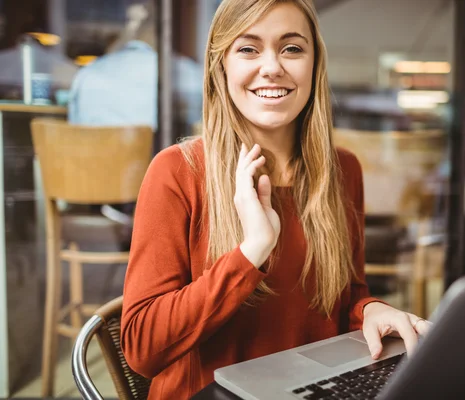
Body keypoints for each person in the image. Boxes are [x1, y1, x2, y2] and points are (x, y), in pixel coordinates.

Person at [120, 0, 431, 398]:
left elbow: (345, 297)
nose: (272, 67)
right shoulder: (177, 172)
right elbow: (143, 350)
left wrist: (371, 310)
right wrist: (251, 252)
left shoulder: (343, 169)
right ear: (222, 67)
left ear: (315, 65)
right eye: (248, 49)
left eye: (292, 48)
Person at [67, 2, 202, 135]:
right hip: (156, 154)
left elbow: (75, 131)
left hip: (88, 156)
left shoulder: (86, 74)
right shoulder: (187, 74)